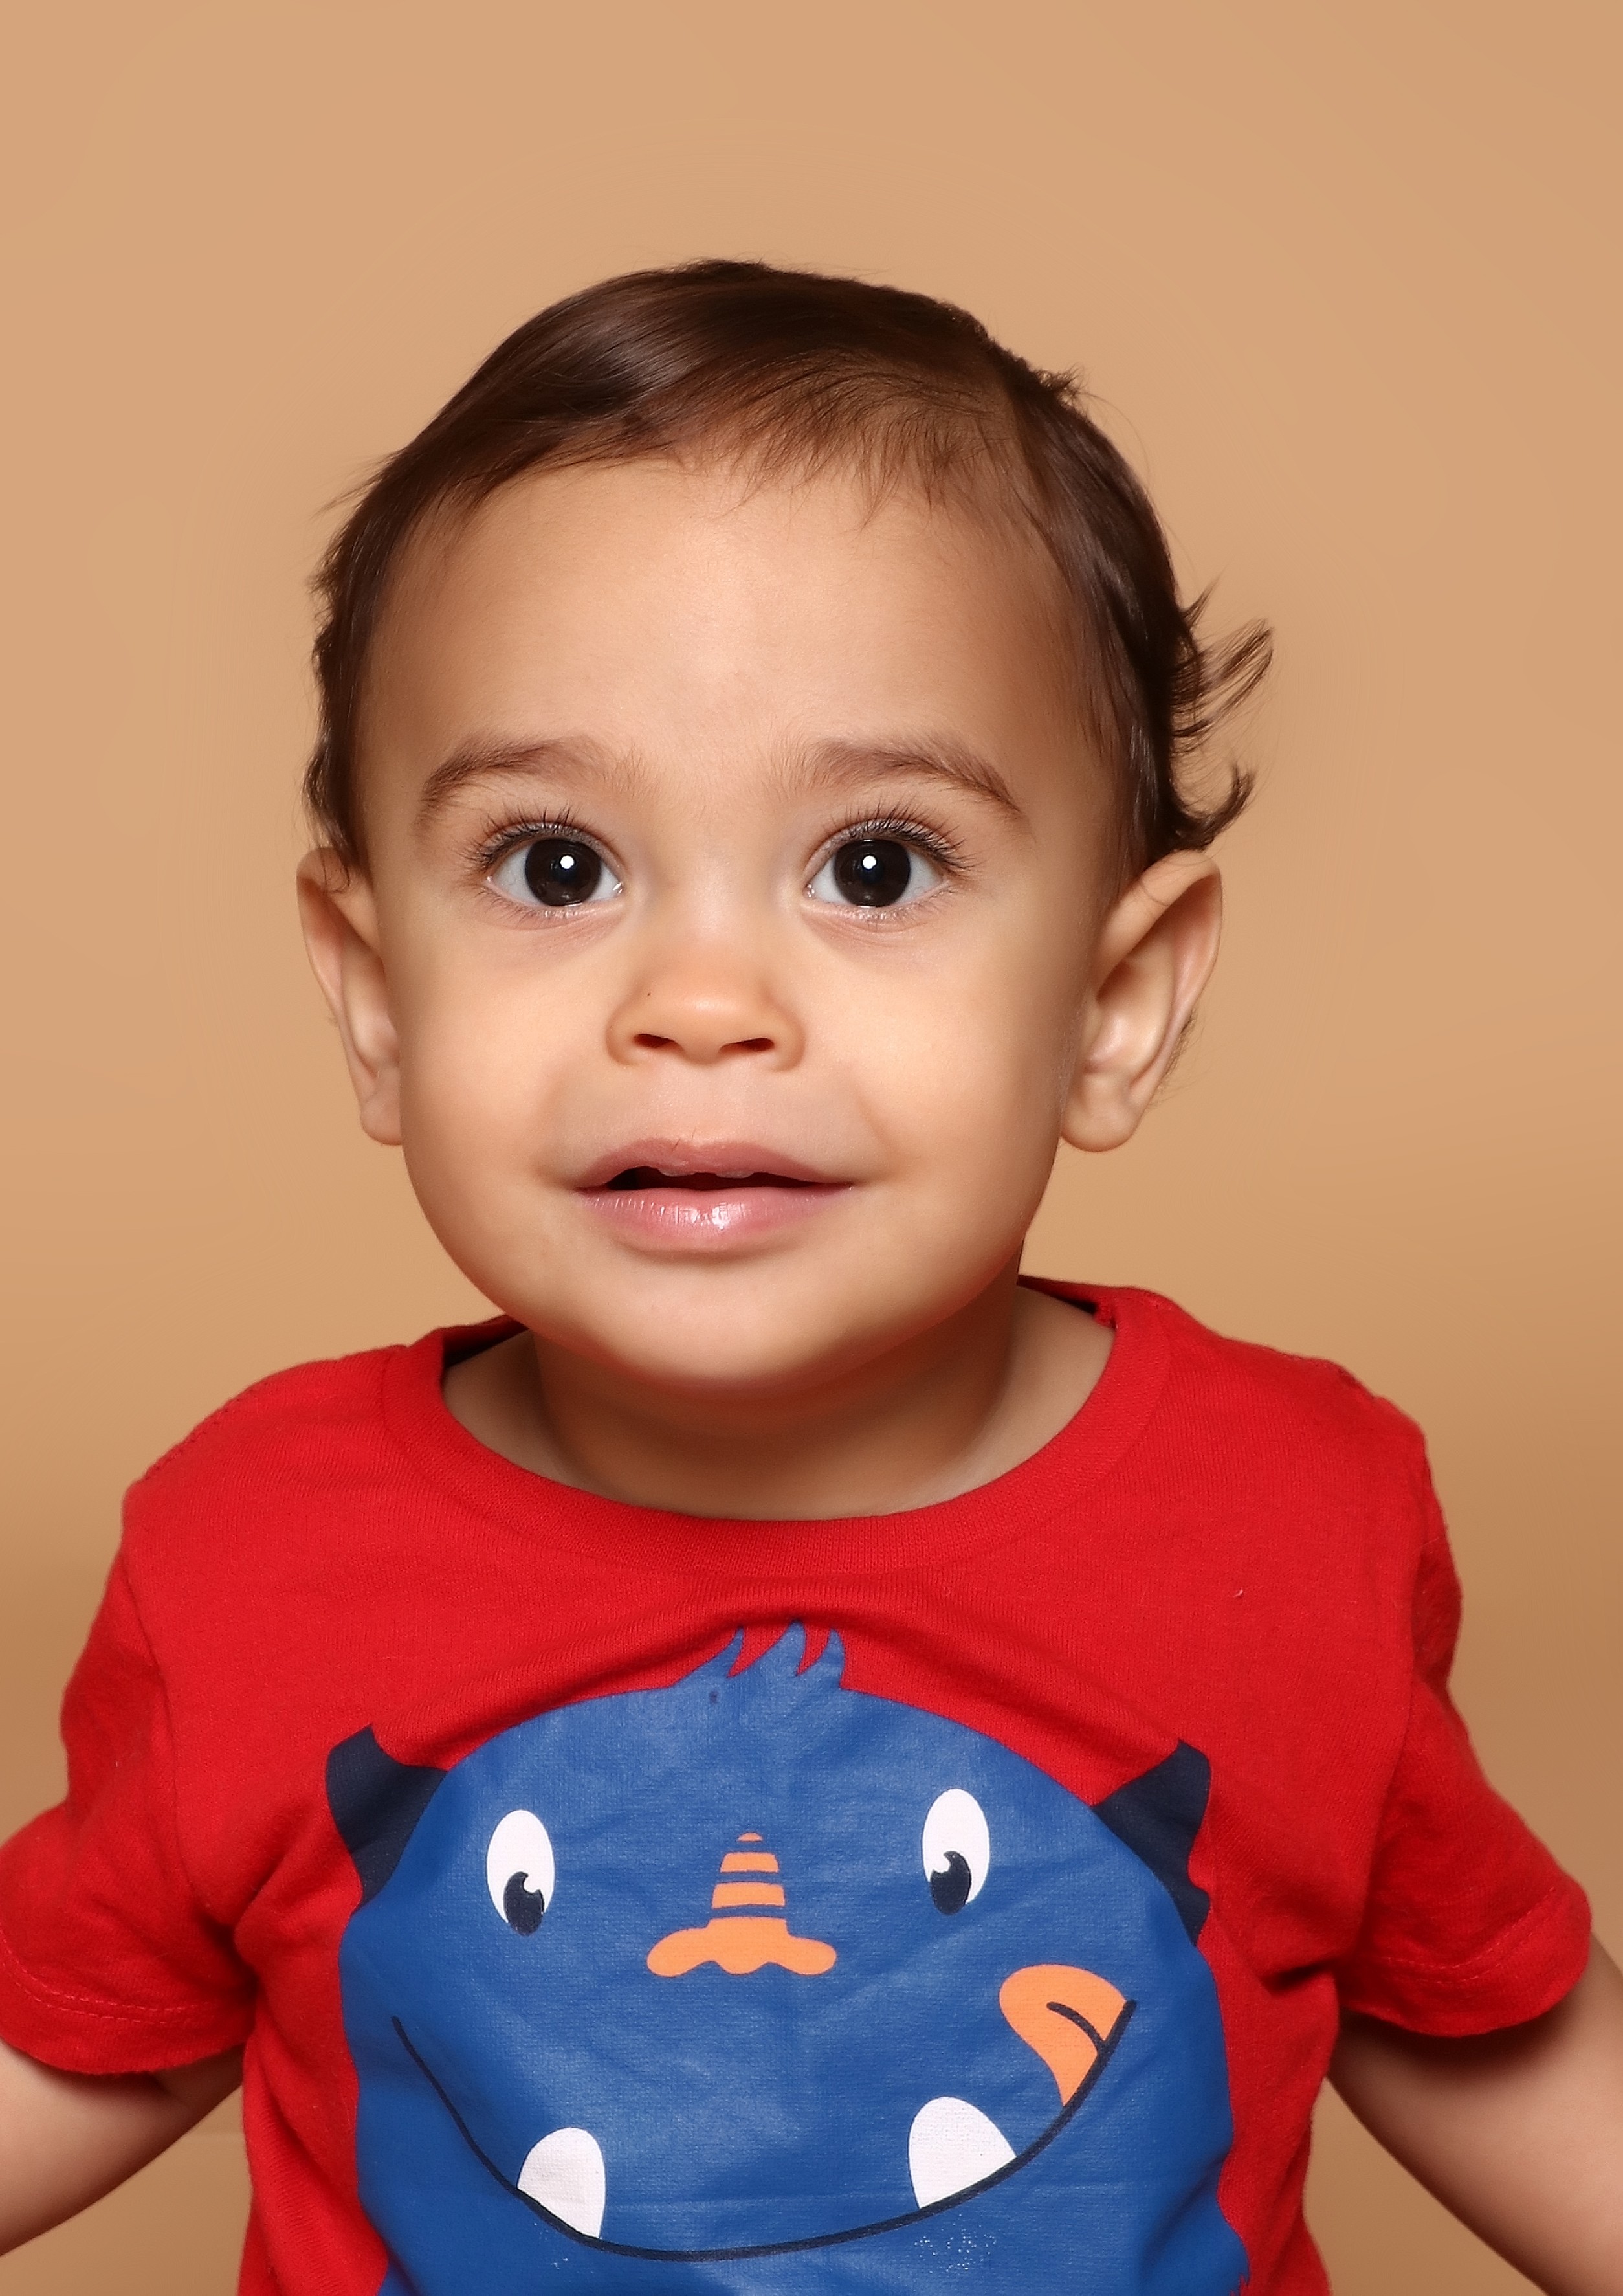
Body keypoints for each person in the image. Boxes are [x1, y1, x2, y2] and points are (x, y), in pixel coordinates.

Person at [0, 262, 1617, 2296]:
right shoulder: (252, 1550)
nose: (699, 1002)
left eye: (874, 865)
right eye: (555, 865)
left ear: (1113, 999)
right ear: (376, 997)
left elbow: (1477, 2018)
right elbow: (88, 2029)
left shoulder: (1291, 1515)